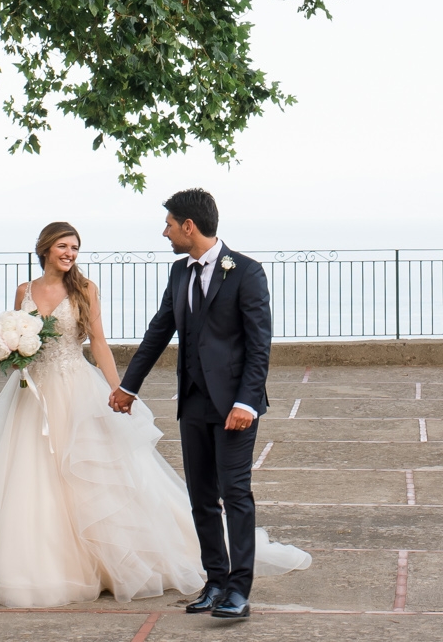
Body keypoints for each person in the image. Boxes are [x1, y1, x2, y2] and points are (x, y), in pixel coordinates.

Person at [0, 221, 205, 607]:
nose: (70, 254)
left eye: (75, 248)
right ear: (45, 248)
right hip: (30, 395)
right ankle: (38, 565)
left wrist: (119, 389)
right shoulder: (25, 290)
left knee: (88, 475)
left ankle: (109, 560)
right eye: (63, 246)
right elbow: (18, 337)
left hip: (75, 388)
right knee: (31, 476)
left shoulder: (85, 290)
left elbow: (100, 344)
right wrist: (11, 350)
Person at [112, 189, 309, 620]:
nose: (164, 232)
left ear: (189, 226)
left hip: (235, 407)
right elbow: (158, 331)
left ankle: (239, 589)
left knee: (235, 493)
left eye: (168, 224)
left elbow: (260, 345)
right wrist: (129, 387)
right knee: (200, 498)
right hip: (194, 402)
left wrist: (247, 402)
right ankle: (215, 581)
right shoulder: (179, 273)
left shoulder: (247, 272)